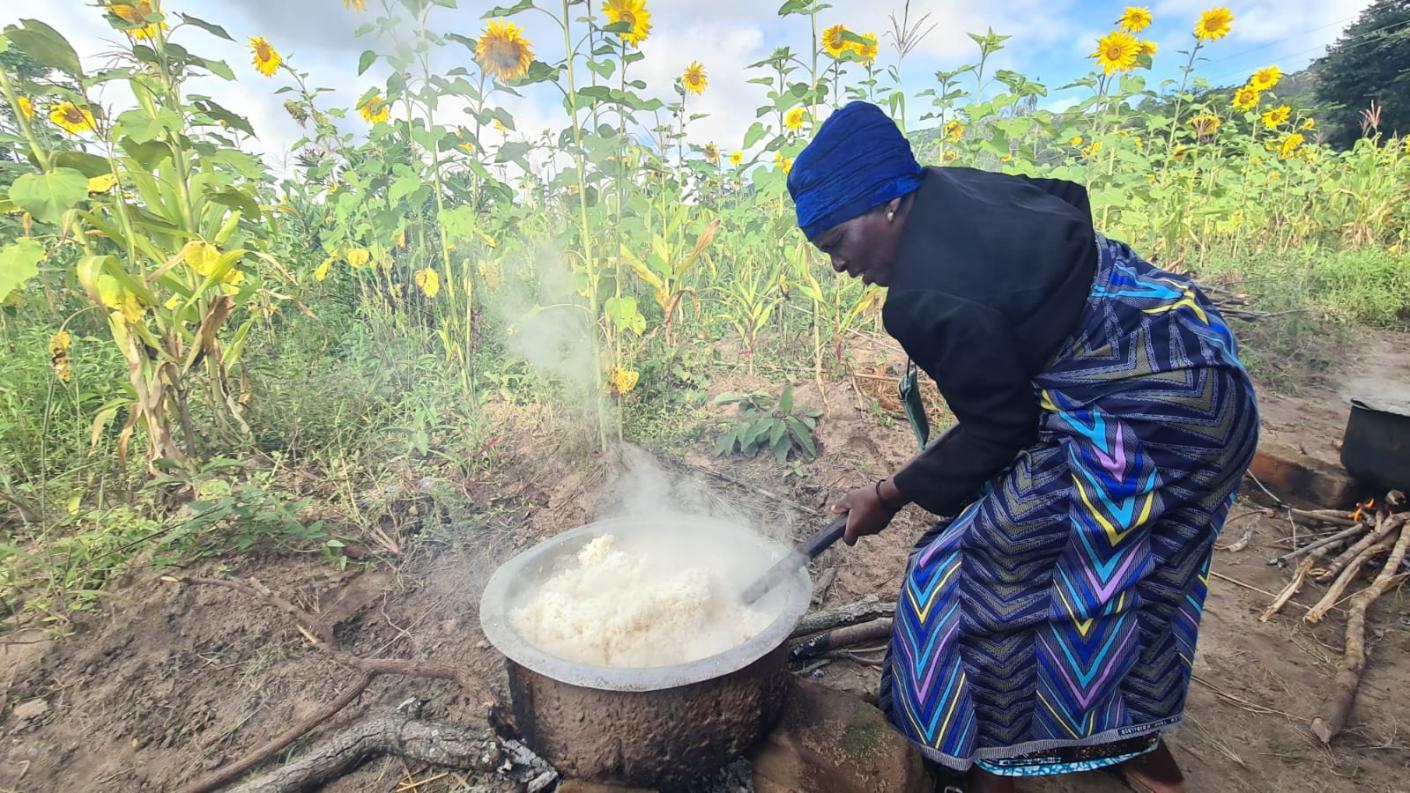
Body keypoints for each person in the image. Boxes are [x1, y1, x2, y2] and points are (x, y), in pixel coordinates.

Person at [786, 101, 1259, 793]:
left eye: (836, 241)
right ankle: (1129, 746)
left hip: (1150, 424)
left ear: (887, 203)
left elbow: (1001, 428)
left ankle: (979, 767)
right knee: (1138, 577)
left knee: (951, 581)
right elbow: (1068, 200)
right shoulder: (950, 185)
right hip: (1201, 362)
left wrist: (889, 494)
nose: (837, 265)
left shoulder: (920, 296)